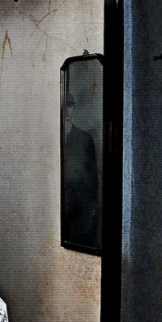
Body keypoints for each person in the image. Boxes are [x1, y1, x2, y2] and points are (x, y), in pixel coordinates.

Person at [63, 93, 100, 249]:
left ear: (74, 108)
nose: (67, 110)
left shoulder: (84, 138)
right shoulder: (51, 138)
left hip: (80, 205)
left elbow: (93, 176)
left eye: (70, 106)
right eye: (64, 106)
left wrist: (92, 203)